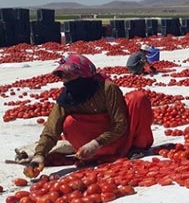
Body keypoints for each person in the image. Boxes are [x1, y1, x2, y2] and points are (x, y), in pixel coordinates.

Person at [24, 53, 154, 170]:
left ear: (84, 75)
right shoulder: (67, 98)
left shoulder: (107, 89)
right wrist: (39, 155)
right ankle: (96, 156)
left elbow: (120, 123)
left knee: (138, 99)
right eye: (63, 77)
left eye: (70, 75)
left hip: (121, 138)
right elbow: (51, 129)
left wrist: (97, 142)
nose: (65, 81)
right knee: (69, 122)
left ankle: (137, 148)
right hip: (91, 150)